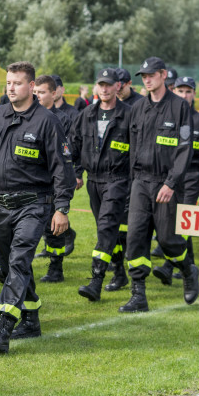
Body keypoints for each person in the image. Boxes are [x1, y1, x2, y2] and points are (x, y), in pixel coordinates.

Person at [0, 61, 73, 353]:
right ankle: (32, 319)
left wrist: (62, 208)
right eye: (8, 83)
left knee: (20, 260)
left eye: (18, 83)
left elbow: (62, 168)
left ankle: (4, 326)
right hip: (0, 204)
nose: (11, 88)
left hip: (34, 204)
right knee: (12, 265)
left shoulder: (47, 121)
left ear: (31, 86)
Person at [118, 58, 199, 312]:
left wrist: (171, 183)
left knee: (168, 240)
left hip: (167, 183)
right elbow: (132, 148)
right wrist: (133, 182)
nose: (147, 79)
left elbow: (185, 149)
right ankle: (138, 294)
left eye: (151, 74)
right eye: (143, 76)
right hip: (141, 182)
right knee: (135, 237)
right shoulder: (138, 108)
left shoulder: (179, 107)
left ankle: (187, 270)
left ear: (163, 75)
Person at [153, 77, 199, 283]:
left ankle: (168, 265)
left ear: (194, 94)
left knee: (183, 221)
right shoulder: (165, 117)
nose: (184, 96)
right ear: (173, 91)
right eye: (180, 91)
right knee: (168, 222)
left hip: (191, 177)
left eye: (188, 92)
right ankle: (189, 265)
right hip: (166, 177)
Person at [74, 68, 132, 302]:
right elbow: (74, 143)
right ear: (96, 87)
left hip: (118, 179)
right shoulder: (87, 113)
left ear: (118, 86)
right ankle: (119, 272)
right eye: (101, 84)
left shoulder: (129, 114)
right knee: (106, 230)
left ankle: (96, 279)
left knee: (107, 226)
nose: (105, 89)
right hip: (93, 181)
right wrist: (77, 173)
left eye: (109, 84)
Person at [34, 75, 78, 282]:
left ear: (53, 94)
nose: (37, 97)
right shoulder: (29, 114)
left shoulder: (61, 119)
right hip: (30, 181)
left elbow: (63, 154)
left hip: (51, 183)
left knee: (52, 229)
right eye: (35, 92)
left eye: (41, 93)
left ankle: (56, 268)